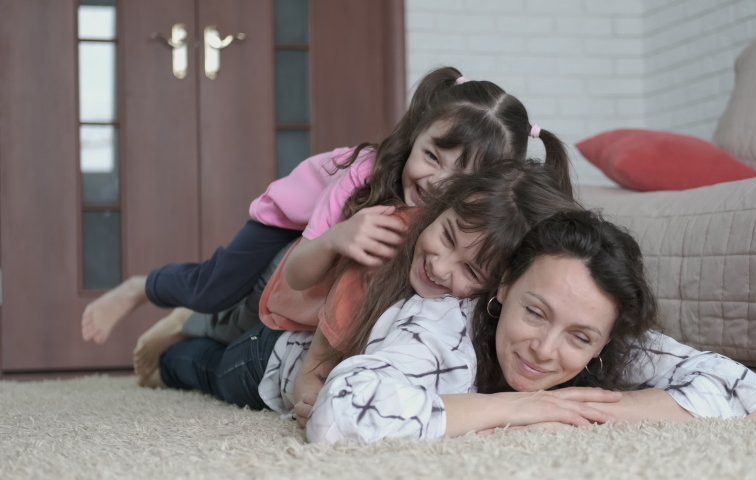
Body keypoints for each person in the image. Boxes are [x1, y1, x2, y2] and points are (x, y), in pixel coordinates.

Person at [159, 199, 756, 443]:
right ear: (503, 286)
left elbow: (746, 390)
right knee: (191, 364)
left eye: (581, 337)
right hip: (272, 360)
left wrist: (590, 410)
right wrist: (517, 409)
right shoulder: (437, 320)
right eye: (536, 312)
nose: (544, 349)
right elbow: (341, 410)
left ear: (609, 338)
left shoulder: (606, 339)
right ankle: (176, 331)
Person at [79, 66, 572, 364]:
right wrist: (341, 235)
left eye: (460, 176)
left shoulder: (471, 219)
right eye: (431, 157)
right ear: (415, 137)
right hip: (287, 221)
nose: (436, 181)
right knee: (215, 289)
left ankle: (194, 327)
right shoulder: (365, 175)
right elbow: (300, 269)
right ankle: (139, 288)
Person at [155, 160, 580, 417]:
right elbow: (318, 361)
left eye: (470, 269)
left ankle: (193, 324)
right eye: (446, 236)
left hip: (294, 319)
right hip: (271, 351)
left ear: (505, 282)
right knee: (201, 368)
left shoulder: (496, 307)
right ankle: (170, 345)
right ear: (438, 210)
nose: (440, 265)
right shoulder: (386, 250)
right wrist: (310, 393)